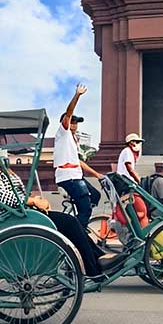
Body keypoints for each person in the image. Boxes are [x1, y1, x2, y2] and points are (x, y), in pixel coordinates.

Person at [0, 137, 114, 277]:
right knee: (69, 223)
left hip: (19, 215)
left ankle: (100, 259)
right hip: (13, 219)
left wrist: (33, 199)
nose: (3, 149)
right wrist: (33, 202)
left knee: (70, 222)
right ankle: (94, 269)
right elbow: (1, 196)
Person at [54, 84, 104, 228]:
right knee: (86, 209)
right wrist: (77, 95)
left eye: (76, 123)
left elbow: (79, 162)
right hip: (68, 176)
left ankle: (79, 221)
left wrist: (97, 175)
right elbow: (69, 113)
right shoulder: (63, 133)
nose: (75, 125)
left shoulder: (73, 140)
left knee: (95, 196)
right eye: (73, 122)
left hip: (76, 175)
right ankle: (78, 232)